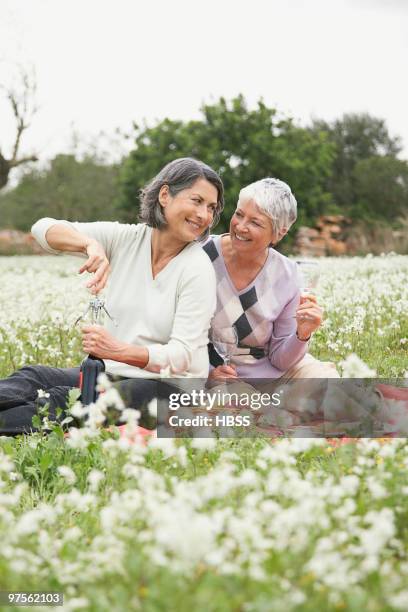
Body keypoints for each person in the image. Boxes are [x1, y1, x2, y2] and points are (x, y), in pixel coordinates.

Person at [0, 158, 224, 435]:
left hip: (171, 388)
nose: (204, 215)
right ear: (165, 195)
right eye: (197, 200)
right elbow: (43, 229)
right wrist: (89, 243)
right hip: (115, 372)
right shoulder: (126, 239)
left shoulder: (197, 268)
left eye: (211, 208)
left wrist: (118, 351)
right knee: (33, 377)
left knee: (63, 400)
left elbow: (183, 356)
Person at [203, 177, 339, 384]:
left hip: (273, 375)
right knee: (237, 408)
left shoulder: (288, 275)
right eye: (239, 214)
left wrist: (302, 334)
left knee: (331, 384)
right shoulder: (202, 256)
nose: (240, 227)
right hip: (218, 375)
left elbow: (281, 361)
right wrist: (207, 372)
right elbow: (176, 334)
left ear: (279, 233)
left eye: (255, 222)